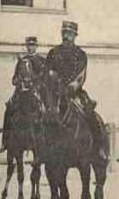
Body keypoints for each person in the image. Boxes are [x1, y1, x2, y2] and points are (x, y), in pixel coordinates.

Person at [46, 21, 108, 160]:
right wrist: (53, 79)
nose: (67, 36)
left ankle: (98, 148)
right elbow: (48, 71)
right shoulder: (53, 53)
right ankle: (43, 151)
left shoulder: (80, 54)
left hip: (74, 93)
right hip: (56, 93)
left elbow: (82, 74)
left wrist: (74, 86)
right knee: (45, 115)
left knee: (91, 115)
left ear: (75, 36)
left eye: (70, 34)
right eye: (65, 33)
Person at [0, 36, 47, 153]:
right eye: (29, 45)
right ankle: (5, 142)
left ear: (36, 46)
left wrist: (34, 82)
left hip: (36, 93)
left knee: (46, 112)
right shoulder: (21, 61)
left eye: (33, 45)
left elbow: (44, 79)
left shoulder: (41, 61)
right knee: (9, 109)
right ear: (26, 47)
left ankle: (46, 143)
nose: (31, 48)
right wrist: (19, 82)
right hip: (21, 93)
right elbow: (14, 79)